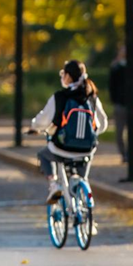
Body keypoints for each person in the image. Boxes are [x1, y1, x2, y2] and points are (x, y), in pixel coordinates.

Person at [30, 59, 108, 204]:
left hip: (62, 148)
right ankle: (86, 203)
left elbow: (42, 120)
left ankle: (54, 185)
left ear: (67, 76)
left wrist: (34, 127)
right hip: (87, 149)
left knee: (43, 155)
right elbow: (103, 123)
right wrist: (91, 134)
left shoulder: (60, 97)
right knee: (82, 173)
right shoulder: (92, 98)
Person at [108, 44, 133, 164]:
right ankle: (124, 154)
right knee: (119, 131)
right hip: (120, 104)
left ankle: (131, 154)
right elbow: (112, 86)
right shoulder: (116, 68)